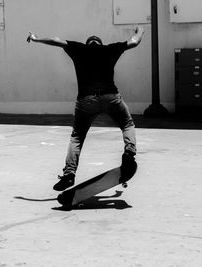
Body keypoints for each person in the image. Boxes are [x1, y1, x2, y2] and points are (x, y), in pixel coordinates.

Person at [27, 27, 144, 191]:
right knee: (127, 124)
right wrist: (141, 30)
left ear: (88, 43)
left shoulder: (78, 48)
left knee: (77, 137)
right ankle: (129, 154)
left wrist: (36, 38)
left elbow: (56, 40)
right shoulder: (109, 49)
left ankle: (69, 175)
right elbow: (134, 41)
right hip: (110, 97)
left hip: (85, 100)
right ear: (99, 44)